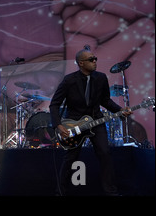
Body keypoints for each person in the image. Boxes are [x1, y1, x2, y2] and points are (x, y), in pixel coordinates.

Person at [49, 46, 131, 196]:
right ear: (81, 63)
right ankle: (60, 192)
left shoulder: (100, 78)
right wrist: (58, 125)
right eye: (91, 60)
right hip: (74, 124)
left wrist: (119, 111)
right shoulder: (69, 80)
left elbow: (106, 100)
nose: (95, 62)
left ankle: (111, 191)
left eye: (95, 59)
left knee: (105, 153)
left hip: (96, 121)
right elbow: (54, 104)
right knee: (71, 157)